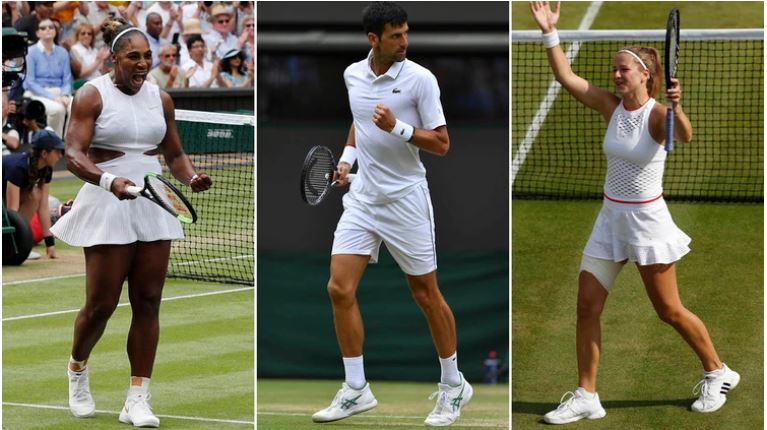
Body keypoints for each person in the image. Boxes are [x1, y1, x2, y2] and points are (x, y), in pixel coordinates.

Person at [529, 2, 740, 425]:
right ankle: (587, 395)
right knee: (587, 307)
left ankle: (718, 371)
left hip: (647, 222)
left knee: (669, 310)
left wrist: (677, 107)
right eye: (614, 69)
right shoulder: (610, 106)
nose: (616, 74)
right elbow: (566, 77)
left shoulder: (657, 114)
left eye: (623, 69)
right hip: (610, 219)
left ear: (645, 74)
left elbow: (684, 135)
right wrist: (550, 32)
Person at [311, 2, 472, 427]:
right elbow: (359, 124)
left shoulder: (421, 80)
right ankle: (356, 389)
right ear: (373, 40)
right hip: (363, 199)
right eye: (396, 35)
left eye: (406, 33)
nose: (405, 41)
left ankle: (453, 384)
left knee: (425, 295)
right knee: (338, 289)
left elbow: (442, 144)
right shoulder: (352, 74)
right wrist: (347, 160)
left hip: (406, 200)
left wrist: (398, 128)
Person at [50, 17, 212, 427]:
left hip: (152, 202)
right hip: (107, 201)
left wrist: (190, 176)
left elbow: (173, 155)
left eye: (147, 57)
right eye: (133, 57)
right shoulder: (91, 95)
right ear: (113, 57)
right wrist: (110, 181)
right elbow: (73, 154)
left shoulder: (161, 99)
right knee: (101, 305)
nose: (143, 64)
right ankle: (77, 368)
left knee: (149, 300)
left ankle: (137, 398)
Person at [2, 129, 64, 260]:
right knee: (11, 213)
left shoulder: (46, 170)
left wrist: (50, 243)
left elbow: (43, 207)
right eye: (58, 151)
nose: (60, 155)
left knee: (35, 195)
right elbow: (12, 211)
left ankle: (16, 245)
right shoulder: (18, 168)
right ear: (44, 153)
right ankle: (11, 247)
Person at [22, 18, 73, 138]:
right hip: (38, 92)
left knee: (77, 106)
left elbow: (67, 79)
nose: (48, 30)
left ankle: (68, 143)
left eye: (51, 27)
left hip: (60, 92)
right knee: (58, 110)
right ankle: (53, 145)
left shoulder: (63, 52)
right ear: (37, 33)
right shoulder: (30, 52)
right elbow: (30, 82)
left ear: (55, 31)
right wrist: (54, 97)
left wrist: (65, 96)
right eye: (43, 28)